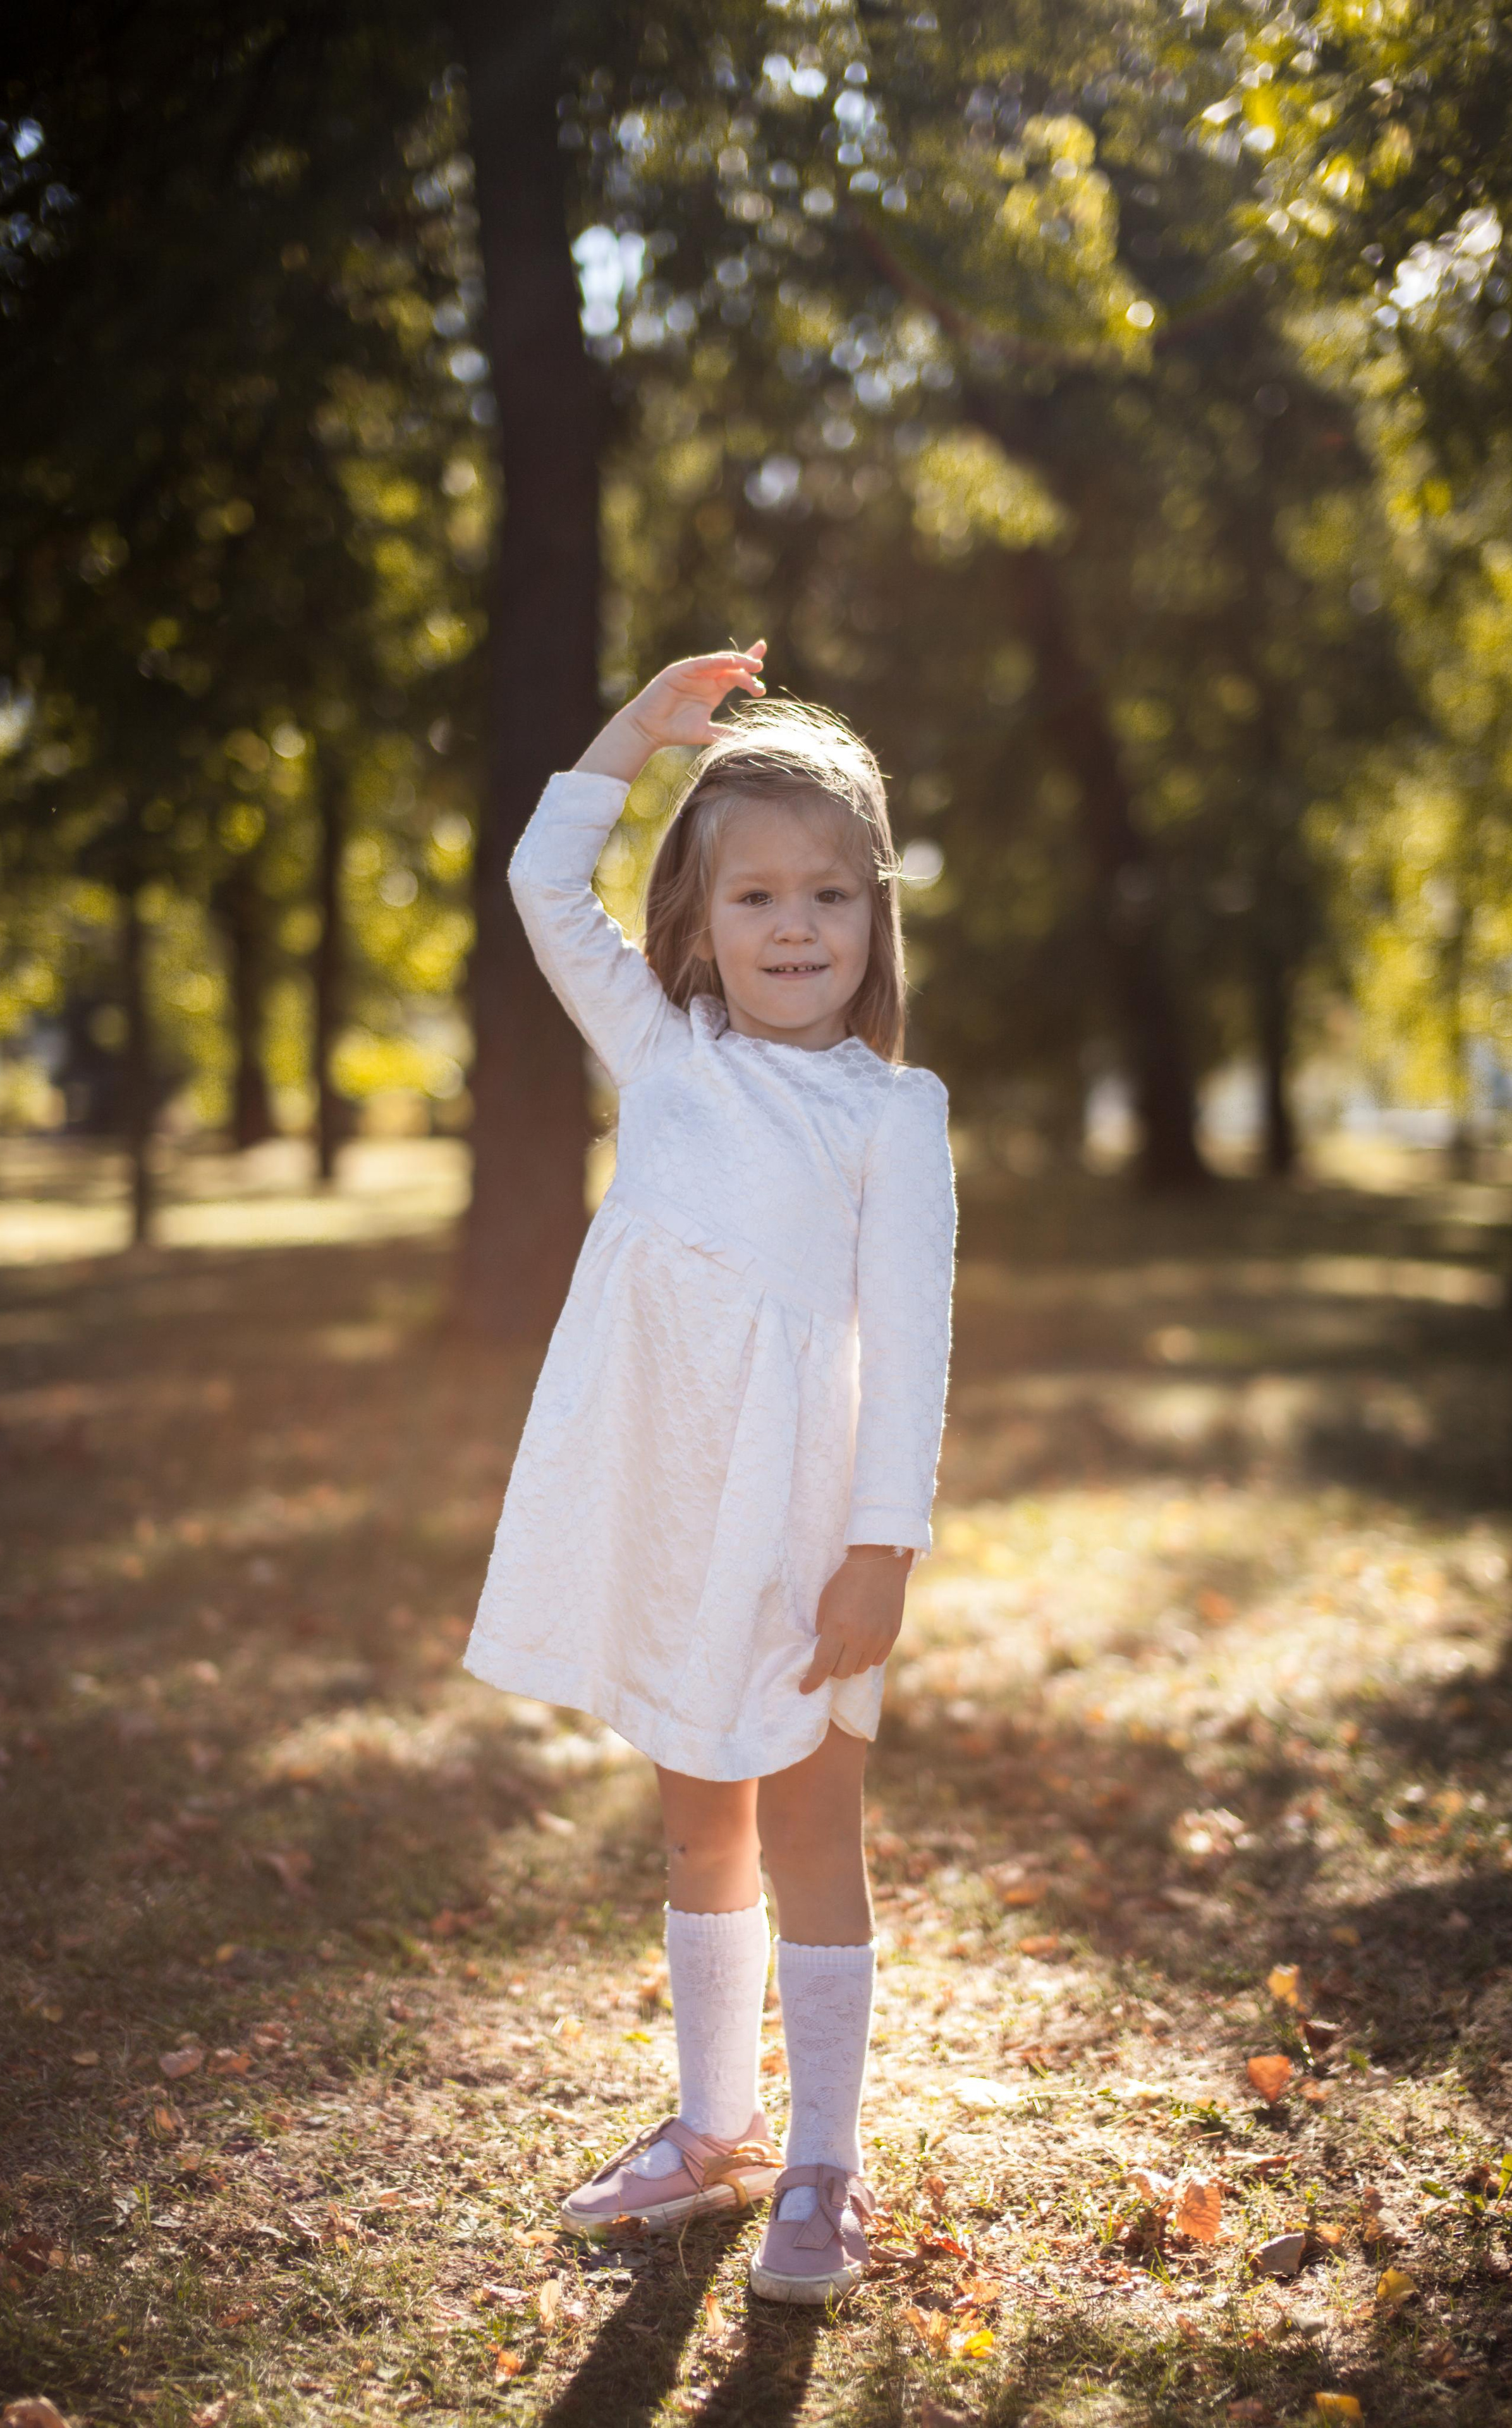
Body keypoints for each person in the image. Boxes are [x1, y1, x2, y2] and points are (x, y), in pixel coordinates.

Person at [463, 643, 956, 2302]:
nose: (795, 928)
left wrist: (883, 1548)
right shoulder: (663, 1053)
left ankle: (824, 2162)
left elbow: (912, 1349)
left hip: (808, 1532)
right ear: (698, 917)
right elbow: (544, 882)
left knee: (811, 1822)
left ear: (875, 916)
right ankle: (716, 2128)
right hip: (675, 1513)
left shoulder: (891, 1116)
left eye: (830, 895)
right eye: (757, 897)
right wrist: (637, 737)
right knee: (697, 1831)